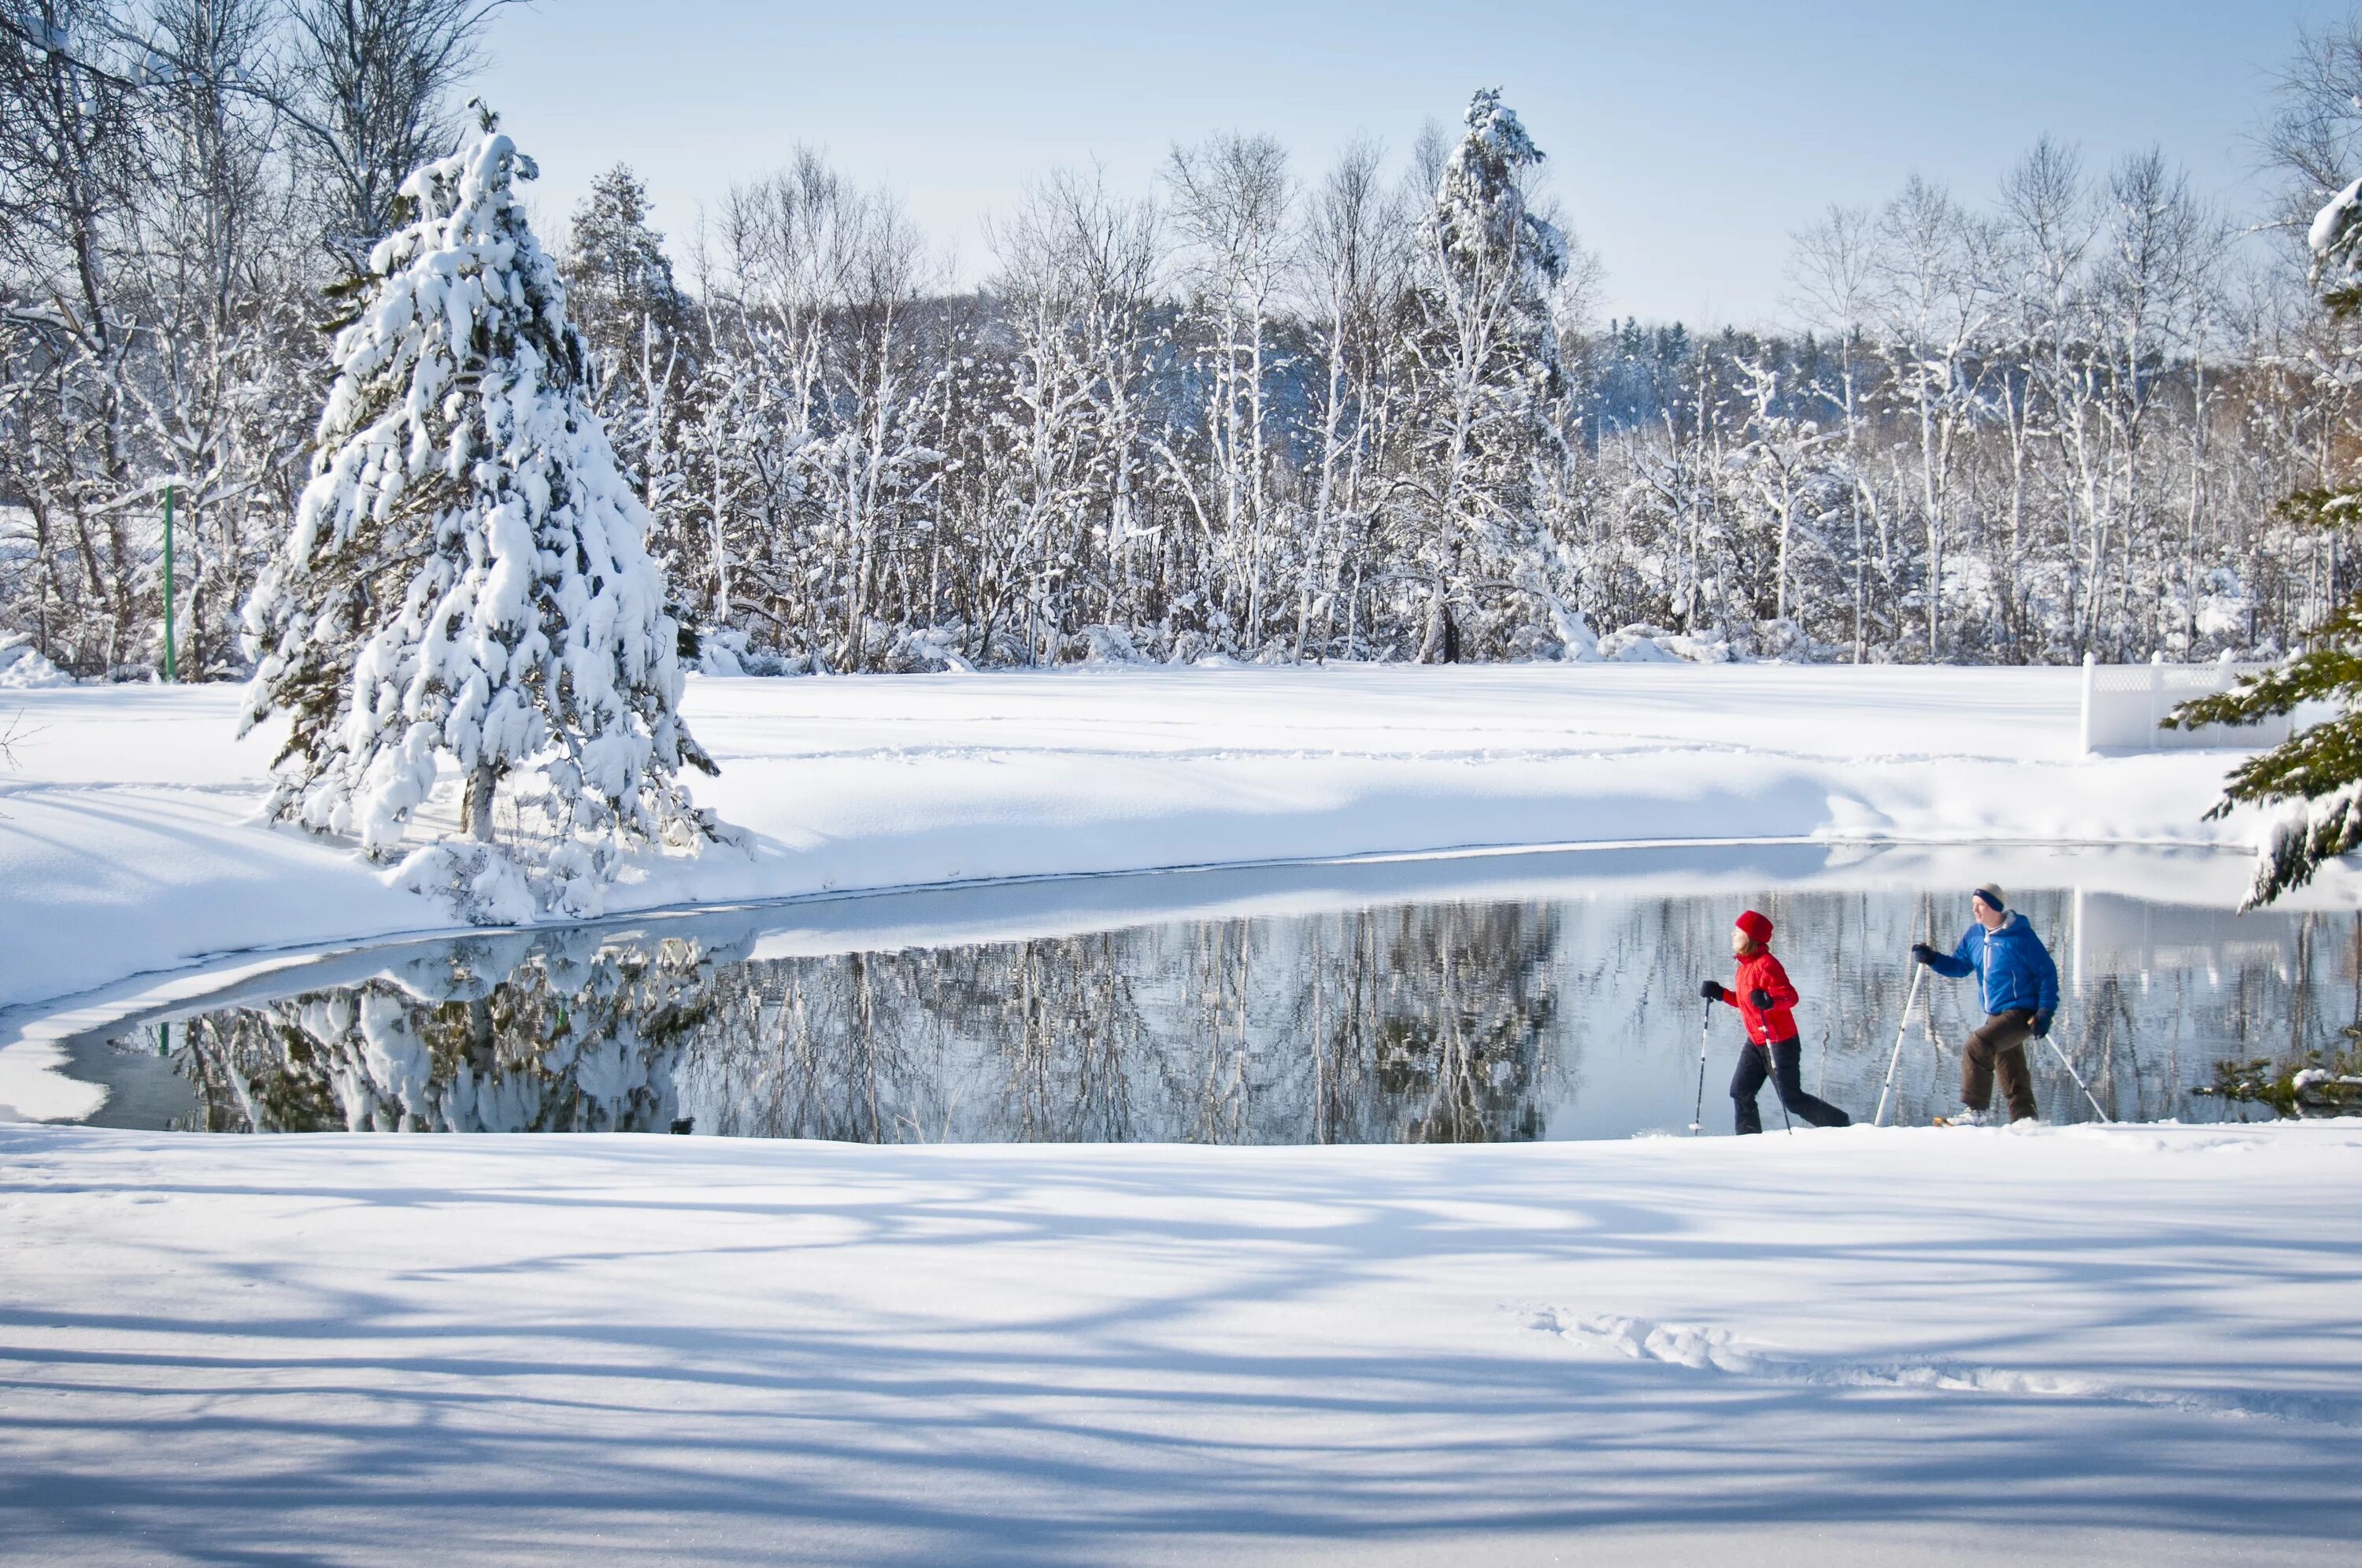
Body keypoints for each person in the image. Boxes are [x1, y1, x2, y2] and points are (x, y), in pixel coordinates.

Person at [1909, 883, 2059, 1126]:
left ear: (1996, 908)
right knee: (2010, 1068)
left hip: (2023, 1012)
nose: (1976, 911)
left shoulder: (2020, 937)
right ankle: (2026, 1120)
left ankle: (1976, 1111)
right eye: (1974, 906)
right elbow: (1960, 966)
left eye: (1982, 906)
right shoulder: (1976, 936)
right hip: (1997, 1015)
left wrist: (2045, 1011)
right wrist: (1933, 958)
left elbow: (2047, 973)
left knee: (1978, 1045)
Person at [1699, 909, 1852, 1135]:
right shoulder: (1745, 967)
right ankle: (1748, 1141)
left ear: (1750, 937)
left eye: (1738, 931)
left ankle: (1841, 1125)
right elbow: (1748, 1003)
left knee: (1791, 1098)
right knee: (1740, 1091)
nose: (1732, 934)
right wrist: (1721, 994)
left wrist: (1770, 1001)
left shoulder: (1766, 964)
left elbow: (1790, 997)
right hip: (1756, 1041)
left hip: (1780, 1042)